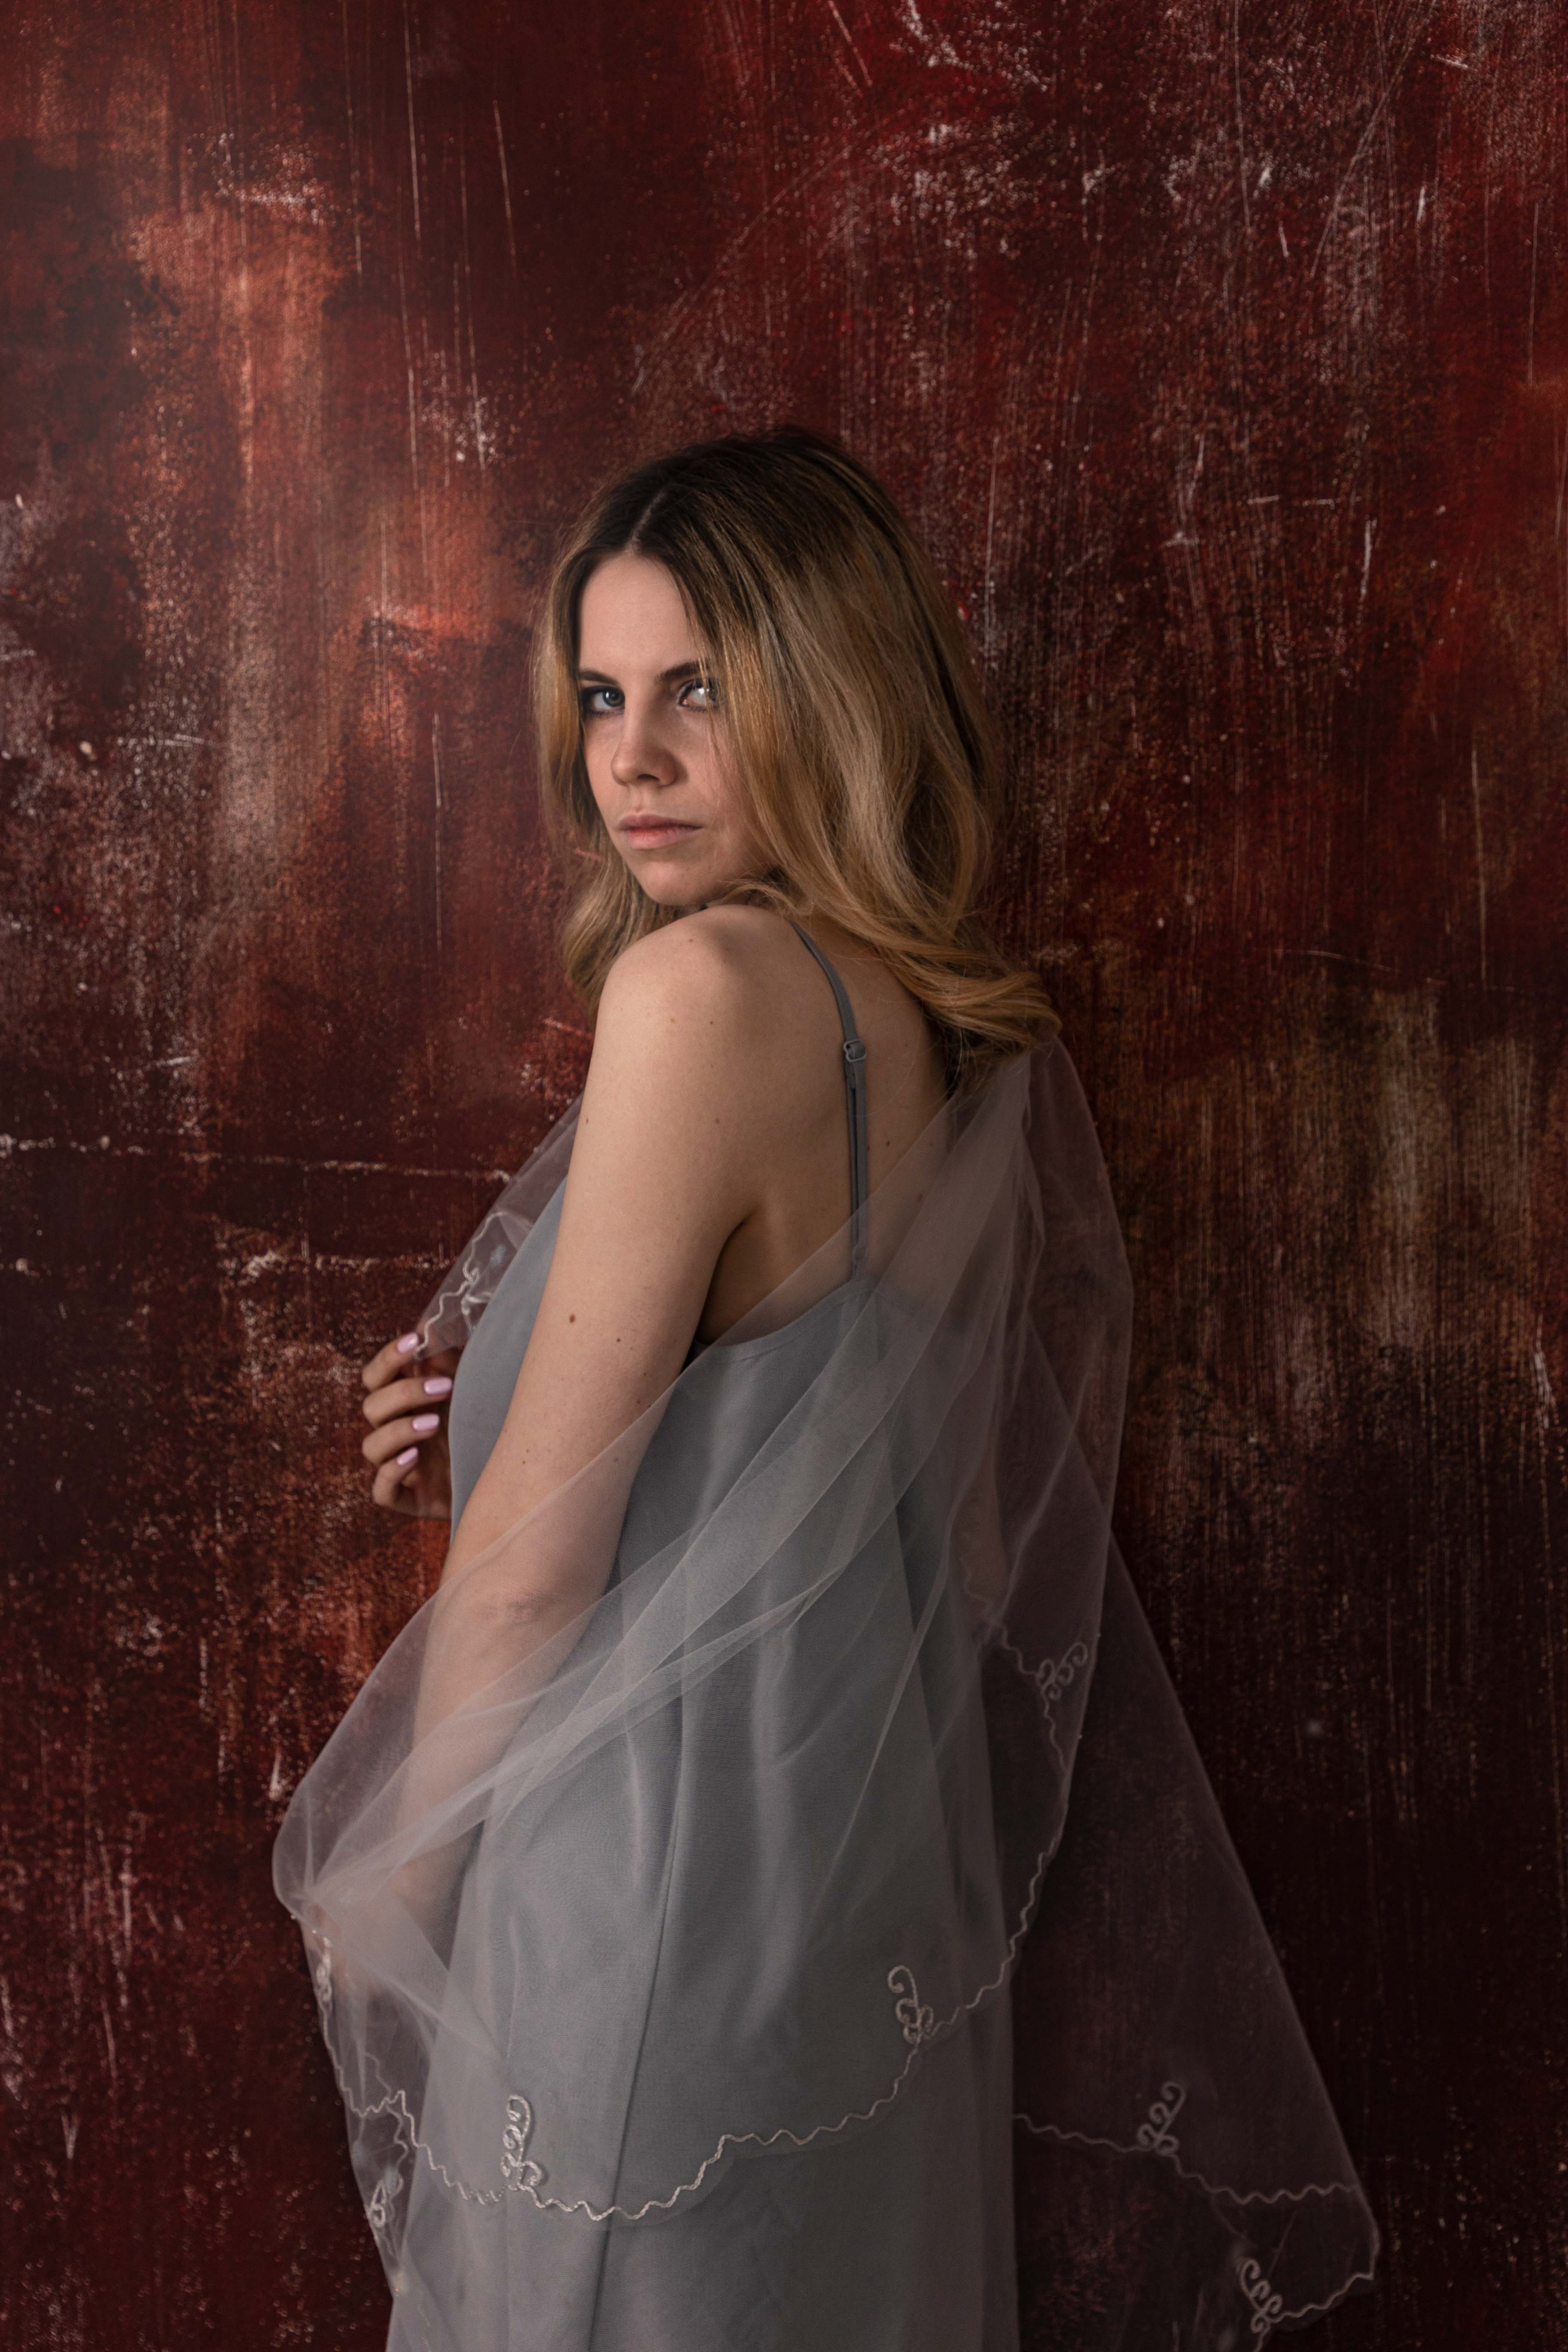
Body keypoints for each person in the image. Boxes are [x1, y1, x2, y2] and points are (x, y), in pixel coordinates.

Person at [274, 429, 1378, 2351]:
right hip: (847, 1900)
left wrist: (396, 1889)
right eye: (601, 697)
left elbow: (536, 1578)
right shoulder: (929, 1022)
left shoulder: (697, 997)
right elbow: (912, 1517)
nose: (631, 757)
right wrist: (493, 1431)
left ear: (832, 685)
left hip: (639, 1894)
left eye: (697, 688)